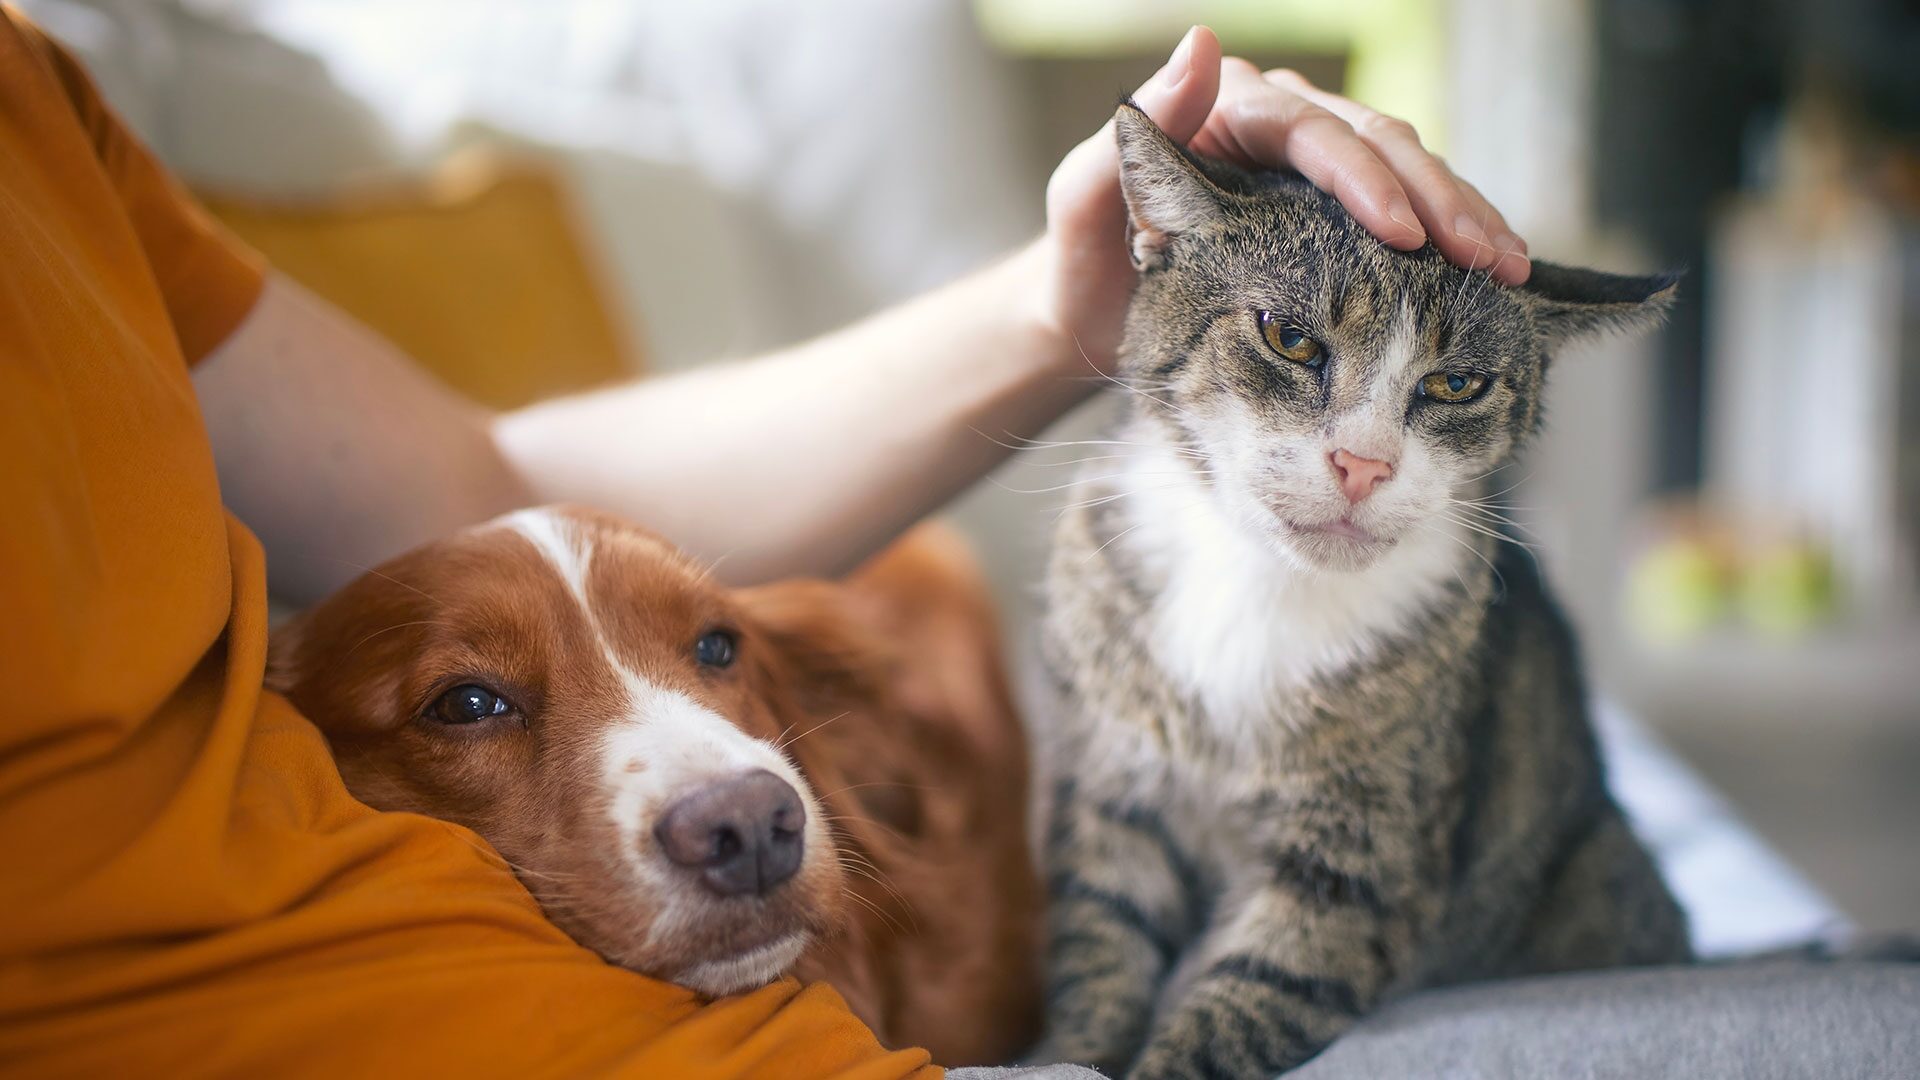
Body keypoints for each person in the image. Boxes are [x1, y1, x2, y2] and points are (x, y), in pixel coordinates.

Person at [0, 11, 1528, 1077]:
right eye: (469, 703)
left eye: (711, 651)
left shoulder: (38, 107)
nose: (741, 806)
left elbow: (470, 480)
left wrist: (1061, 310)